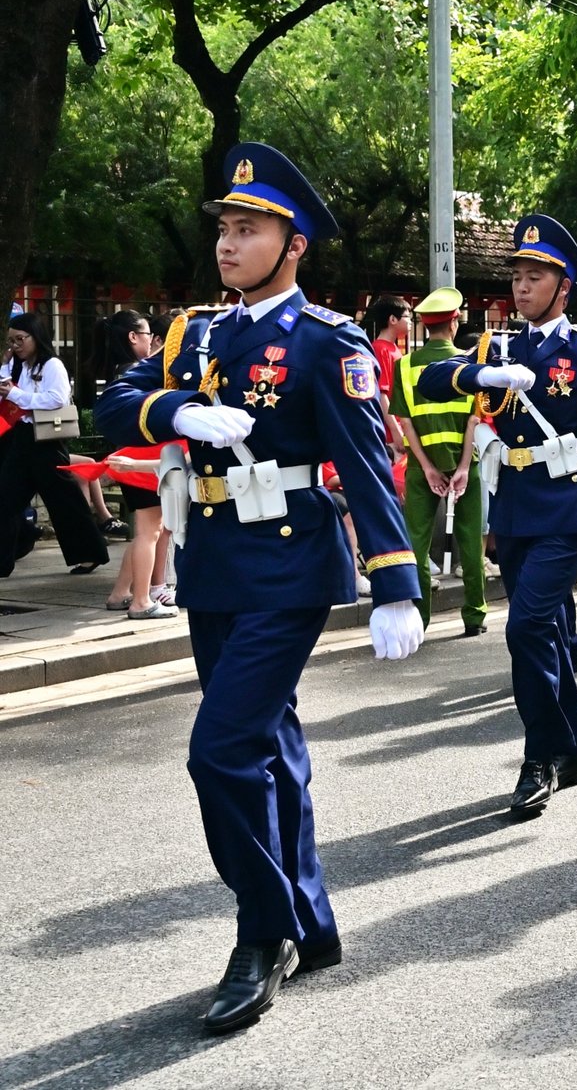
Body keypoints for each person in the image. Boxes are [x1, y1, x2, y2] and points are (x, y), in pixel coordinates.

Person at [94, 142, 425, 1034]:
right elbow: (107, 407)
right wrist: (174, 410)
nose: (229, 245)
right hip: (214, 564)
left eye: (250, 230)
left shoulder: (327, 340)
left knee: (221, 751)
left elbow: (364, 465)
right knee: (271, 747)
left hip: (292, 564)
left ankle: (261, 930)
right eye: (226, 230)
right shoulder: (193, 334)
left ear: (295, 246)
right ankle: (310, 923)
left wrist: (397, 581)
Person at [415, 214, 577, 817]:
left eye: (535, 277)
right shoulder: (498, 346)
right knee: (546, 630)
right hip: (517, 504)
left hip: (571, 503)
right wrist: (483, 373)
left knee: (525, 627)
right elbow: (431, 379)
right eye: (518, 277)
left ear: (563, 286)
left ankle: (539, 756)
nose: (521, 288)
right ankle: (572, 750)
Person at [391, 287, 487, 636]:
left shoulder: (403, 367)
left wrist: (429, 467)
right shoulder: (469, 365)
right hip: (466, 466)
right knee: (470, 540)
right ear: (455, 320)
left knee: (416, 544)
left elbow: (405, 423)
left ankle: (421, 619)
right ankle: (474, 617)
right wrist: (461, 468)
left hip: (420, 468)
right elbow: (474, 421)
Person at [0, 311, 109, 577]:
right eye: (11, 341)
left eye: (20, 339)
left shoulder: (52, 366)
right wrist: (5, 366)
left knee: (64, 501)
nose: (16, 346)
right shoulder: (16, 365)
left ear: (36, 337)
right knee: (4, 499)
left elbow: (57, 399)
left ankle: (89, 554)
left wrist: (17, 394)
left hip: (47, 441)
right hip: (20, 438)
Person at [96, 309, 175, 618]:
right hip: (141, 459)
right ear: (133, 337)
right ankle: (141, 600)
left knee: (145, 530)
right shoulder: (139, 372)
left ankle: (121, 593)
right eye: (146, 334)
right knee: (149, 532)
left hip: (131, 459)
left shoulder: (124, 371)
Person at [362, 295, 411, 459]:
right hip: (390, 434)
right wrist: (396, 431)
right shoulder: (381, 349)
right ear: (392, 319)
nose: (411, 321)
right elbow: (382, 394)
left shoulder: (392, 348)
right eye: (407, 316)